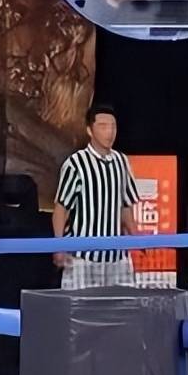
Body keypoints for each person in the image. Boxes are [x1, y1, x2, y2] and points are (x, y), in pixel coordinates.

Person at [53, 105, 140, 289]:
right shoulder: (76, 164)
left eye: (113, 126)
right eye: (103, 126)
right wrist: (59, 246)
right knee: (79, 305)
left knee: (122, 304)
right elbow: (61, 208)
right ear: (89, 130)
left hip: (116, 257)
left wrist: (138, 239)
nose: (110, 132)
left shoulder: (122, 161)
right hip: (82, 257)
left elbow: (126, 206)